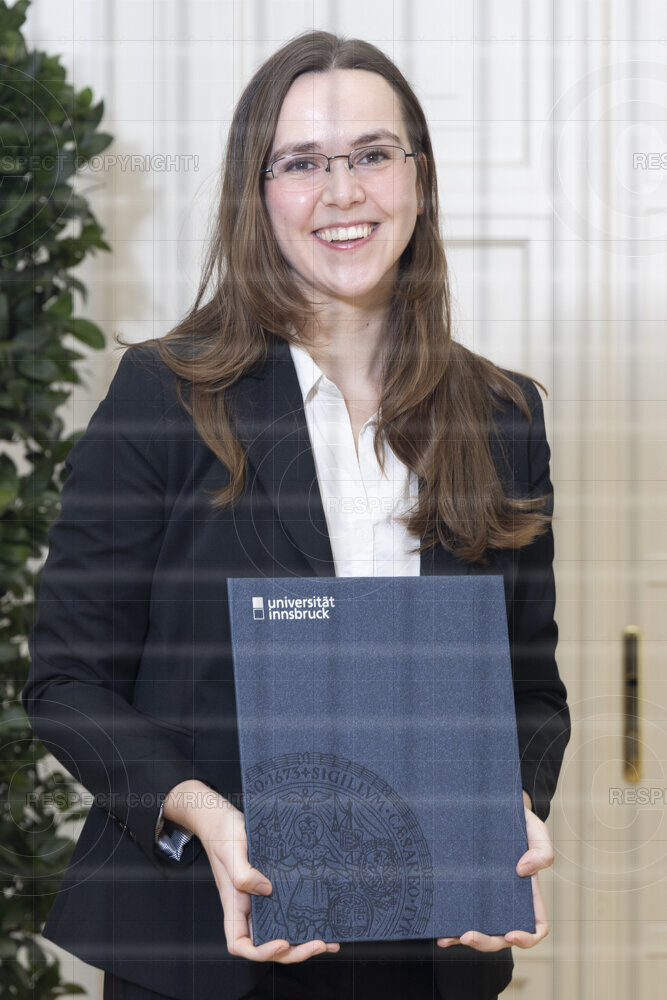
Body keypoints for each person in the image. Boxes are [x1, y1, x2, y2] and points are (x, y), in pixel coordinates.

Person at [23, 30, 571, 1000]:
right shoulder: (162, 395)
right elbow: (68, 682)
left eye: (371, 154)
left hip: (430, 948)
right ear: (257, 191)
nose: (342, 192)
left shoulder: (503, 416)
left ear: (418, 177)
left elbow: (529, 692)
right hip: (203, 946)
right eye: (302, 163)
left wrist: (507, 808)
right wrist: (205, 817)